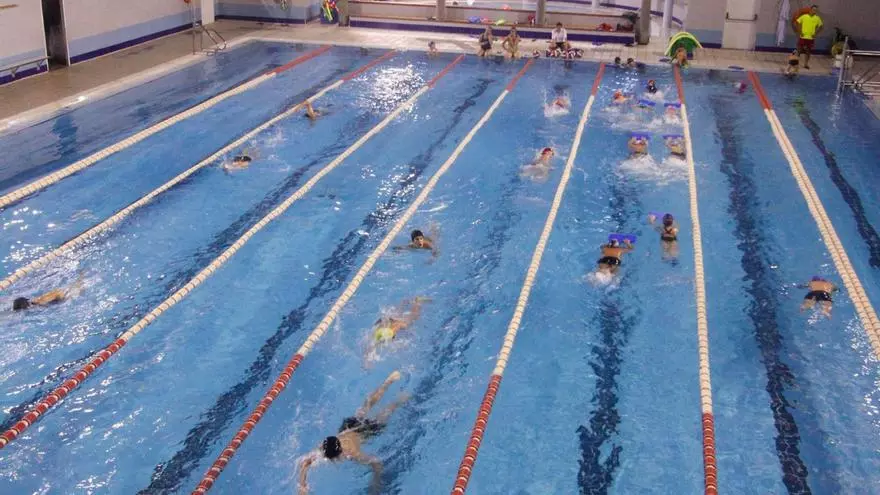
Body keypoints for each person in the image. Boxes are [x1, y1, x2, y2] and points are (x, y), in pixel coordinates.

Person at [297, 371, 408, 495]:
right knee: (366, 405)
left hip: (365, 431)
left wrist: (375, 484)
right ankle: (389, 381)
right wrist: (302, 486)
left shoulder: (352, 453)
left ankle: (400, 400)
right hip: (348, 426)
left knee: (383, 416)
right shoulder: (324, 446)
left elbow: (376, 463)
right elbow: (305, 463)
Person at [12, 274, 83, 311]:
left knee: (79, 287)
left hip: (60, 296)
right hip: (58, 296)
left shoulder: (38, 302)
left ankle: (80, 279)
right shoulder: (36, 303)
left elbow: (57, 294)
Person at [796, 5, 823, 70]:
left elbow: (821, 26)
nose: (814, 11)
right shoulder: (804, 16)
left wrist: (815, 33)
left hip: (811, 38)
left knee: (808, 51)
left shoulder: (817, 18)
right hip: (803, 37)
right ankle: (796, 63)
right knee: (799, 50)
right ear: (810, 10)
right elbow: (797, 23)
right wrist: (800, 32)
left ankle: (806, 64)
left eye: (816, 10)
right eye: (813, 10)